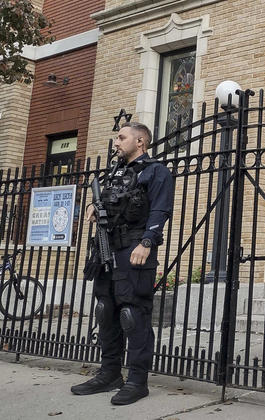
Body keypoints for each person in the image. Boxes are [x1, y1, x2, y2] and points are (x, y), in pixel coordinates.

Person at [71, 122, 174, 405]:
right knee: (105, 310)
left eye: (121, 137)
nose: (116, 142)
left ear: (140, 141)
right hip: (107, 248)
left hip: (135, 247)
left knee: (133, 313)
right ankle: (109, 373)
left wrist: (147, 242)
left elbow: (161, 209)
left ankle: (138, 381)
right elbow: (107, 205)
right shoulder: (115, 173)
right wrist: (93, 207)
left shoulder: (156, 171)